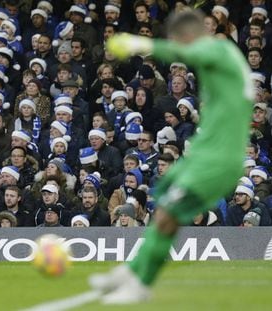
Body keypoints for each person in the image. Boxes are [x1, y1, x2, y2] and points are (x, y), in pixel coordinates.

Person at [89, 10, 255, 304]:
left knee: (167, 214)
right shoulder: (222, 67)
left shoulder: (219, 49)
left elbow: (193, 50)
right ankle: (132, 273)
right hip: (205, 155)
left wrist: (139, 44)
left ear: (188, 37)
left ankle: (139, 281)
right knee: (162, 201)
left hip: (218, 160)